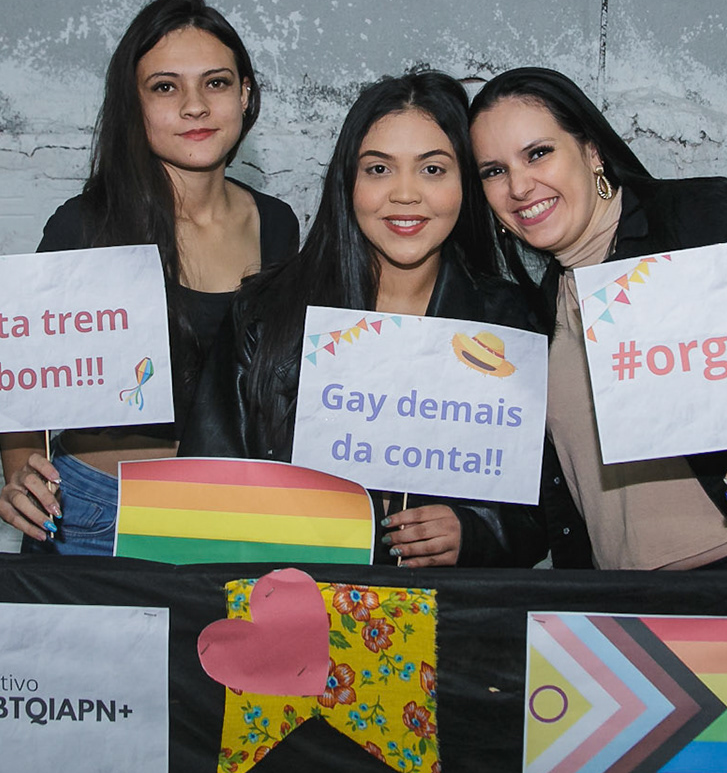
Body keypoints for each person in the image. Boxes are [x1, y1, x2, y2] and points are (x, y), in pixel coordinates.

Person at [468, 66, 727, 571]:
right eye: (494, 171)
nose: (519, 186)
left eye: (538, 153)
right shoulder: (541, 307)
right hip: (621, 604)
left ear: (592, 151)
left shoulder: (702, 222)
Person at [183, 72, 550, 568]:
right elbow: (204, 497)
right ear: (348, 182)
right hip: (290, 599)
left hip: (449, 610)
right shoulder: (266, 315)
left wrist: (475, 532)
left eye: (433, 169)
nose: (405, 194)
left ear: (466, 182)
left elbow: (543, 511)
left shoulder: (511, 324)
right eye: (379, 169)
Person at [0, 0, 299, 553]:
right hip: (95, 515)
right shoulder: (84, 226)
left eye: (215, 83)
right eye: (165, 87)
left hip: (237, 513)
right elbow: (20, 371)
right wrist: (21, 469)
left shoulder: (278, 224)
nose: (194, 106)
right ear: (132, 105)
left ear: (244, 93)